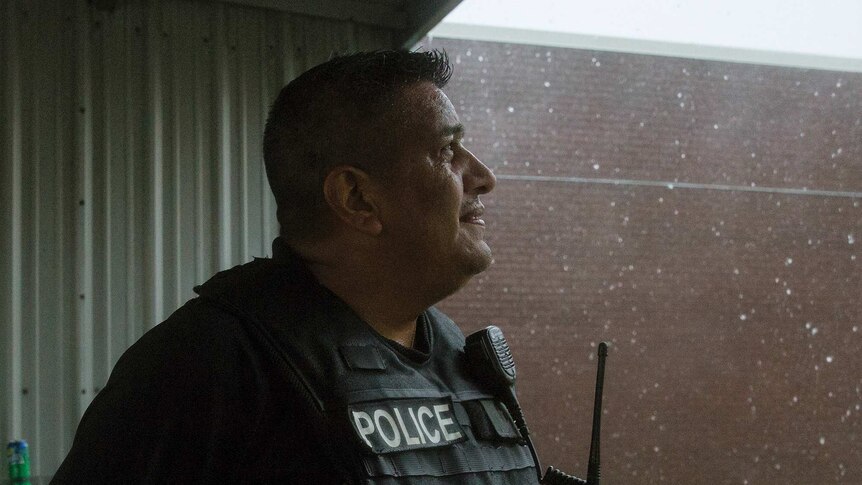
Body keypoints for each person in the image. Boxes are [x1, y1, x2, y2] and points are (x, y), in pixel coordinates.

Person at [53, 50, 540, 483]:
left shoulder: (459, 353)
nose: (484, 177)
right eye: (447, 151)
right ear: (357, 198)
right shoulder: (207, 364)